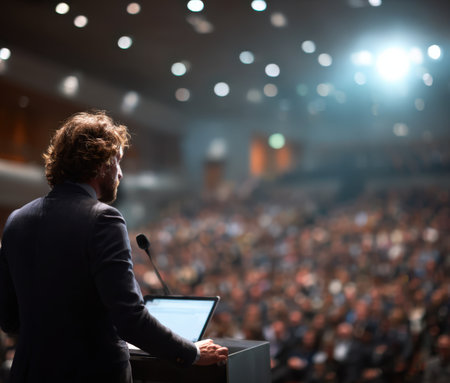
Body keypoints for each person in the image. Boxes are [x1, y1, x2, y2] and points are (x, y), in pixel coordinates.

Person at [0, 111, 228, 383]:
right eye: (118, 160)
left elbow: (9, 319)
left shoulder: (16, 219)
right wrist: (190, 353)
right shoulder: (103, 218)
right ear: (101, 163)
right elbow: (129, 317)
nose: (120, 172)